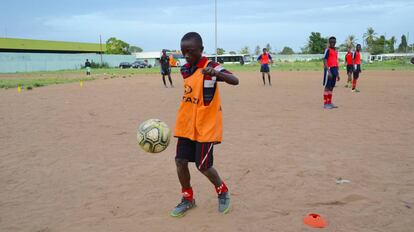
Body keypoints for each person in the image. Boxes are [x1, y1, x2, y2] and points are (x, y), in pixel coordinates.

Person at [171, 32, 239, 217]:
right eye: (184, 52)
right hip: (186, 124)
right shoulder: (186, 69)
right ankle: (187, 198)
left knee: (203, 166)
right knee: (180, 161)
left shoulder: (212, 66)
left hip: (206, 126)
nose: (187, 55)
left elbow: (235, 80)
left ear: (201, 50)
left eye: (191, 52)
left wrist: (216, 74)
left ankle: (222, 190)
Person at [323, 37, 340, 109]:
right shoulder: (327, 50)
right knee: (327, 87)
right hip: (329, 69)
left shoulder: (336, 51)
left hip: (335, 69)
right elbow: (324, 60)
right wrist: (328, 71)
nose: (333, 43)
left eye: (334, 42)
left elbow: (336, 61)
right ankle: (325, 103)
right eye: (331, 42)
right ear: (329, 42)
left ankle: (330, 102)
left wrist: (337, 74)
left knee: (331, 87)